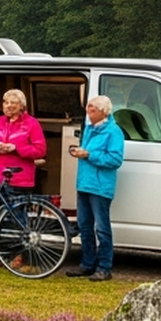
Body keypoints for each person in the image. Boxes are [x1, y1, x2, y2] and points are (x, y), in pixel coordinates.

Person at [0, 88, 46, 267]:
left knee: (17, 219)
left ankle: (19, 254)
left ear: (21, 105)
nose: (8, 106)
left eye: (12, 103)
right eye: (5, 103)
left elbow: (40, 150)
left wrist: (16, 149)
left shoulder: (32, 124)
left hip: (20, 177)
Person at [66, 93, 125, 281]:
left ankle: (105, 267)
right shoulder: (91, 129)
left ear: (103, 111)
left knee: (102, 227)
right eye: (88, 109)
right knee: (84, 225)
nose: (88, 112)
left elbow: (115, 159)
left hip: (100, 187)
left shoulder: (114, 131)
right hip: (84, 184)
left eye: (91, 109)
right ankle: (87, 263)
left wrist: (88, 155)